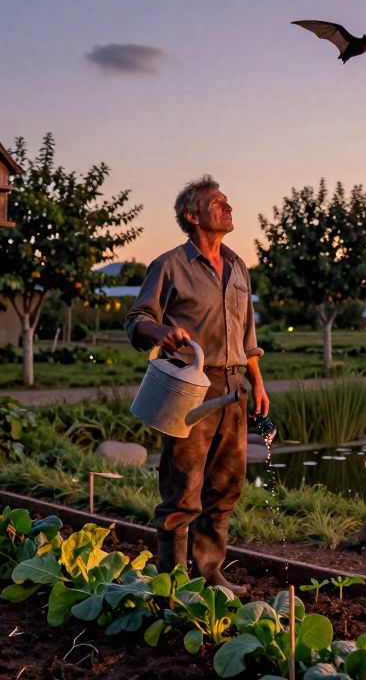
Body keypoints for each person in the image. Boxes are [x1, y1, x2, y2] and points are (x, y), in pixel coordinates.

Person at [125, 174, 268, 595]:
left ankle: (209, 574)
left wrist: (257, 384)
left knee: (226, 485)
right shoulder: (169, 266)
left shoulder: (239, 266)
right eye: (217, 202)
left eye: (227, 200)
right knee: (183, 489)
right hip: (191, 389)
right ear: (193, 216)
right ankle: (172, 582)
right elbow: (137, 320)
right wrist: (161, 333)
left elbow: (247, 338)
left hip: (235, 387)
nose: (228, 206)